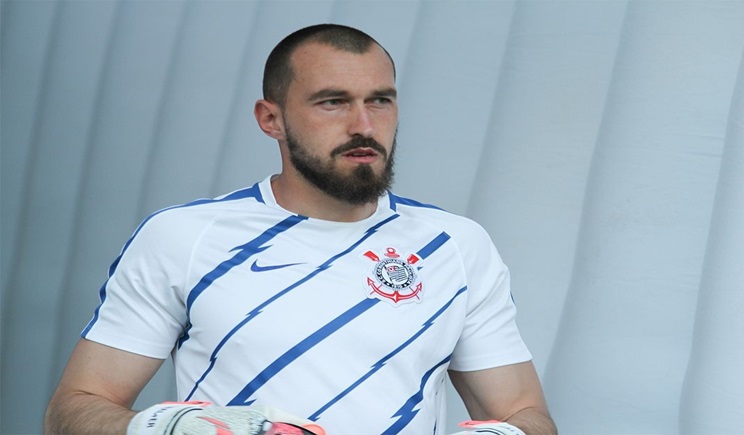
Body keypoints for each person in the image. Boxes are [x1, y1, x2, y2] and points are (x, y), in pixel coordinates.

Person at [45, 24, 556, 435]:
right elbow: (74, 409)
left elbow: (523, 411)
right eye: (332, 101)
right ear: (271, 119)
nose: (363, 125)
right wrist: (165, 429)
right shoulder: (181, 237)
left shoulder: (456, 245)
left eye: (380, 100)